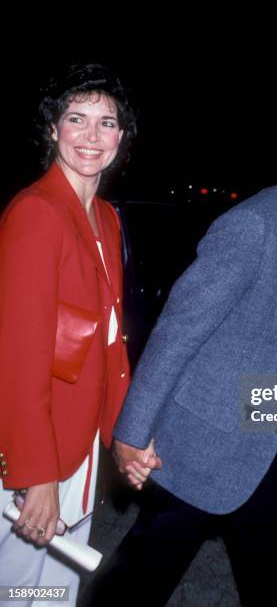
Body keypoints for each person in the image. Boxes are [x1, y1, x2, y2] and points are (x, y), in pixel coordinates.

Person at [88, 90, 277, 606]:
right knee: (136, 583)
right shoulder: (256, 223)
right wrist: (132, 433)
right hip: (207, 441)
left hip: (269, 439)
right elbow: (179, 328)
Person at [0, 63, 142, 606]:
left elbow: (108, 344)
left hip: (80, 447)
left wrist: (125, 433)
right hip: (40, 449)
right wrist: (36, 476)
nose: (91, 135)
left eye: (106, 122)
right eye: (76, 118)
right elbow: (19, 357)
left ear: (120, 137)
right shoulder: (37, 214)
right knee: (18, 587)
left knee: (59, 588)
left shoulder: (104, 216)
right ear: (52, 129)